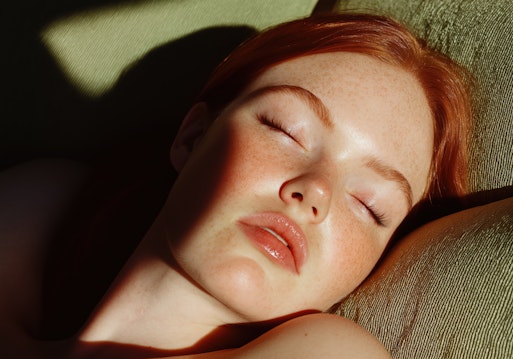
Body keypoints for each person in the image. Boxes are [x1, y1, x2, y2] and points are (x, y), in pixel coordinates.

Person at [0, 12, 471, 358]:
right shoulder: (43, 206)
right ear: (193, 137)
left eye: (369, 205)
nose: (317, 192)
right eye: (286, 130)